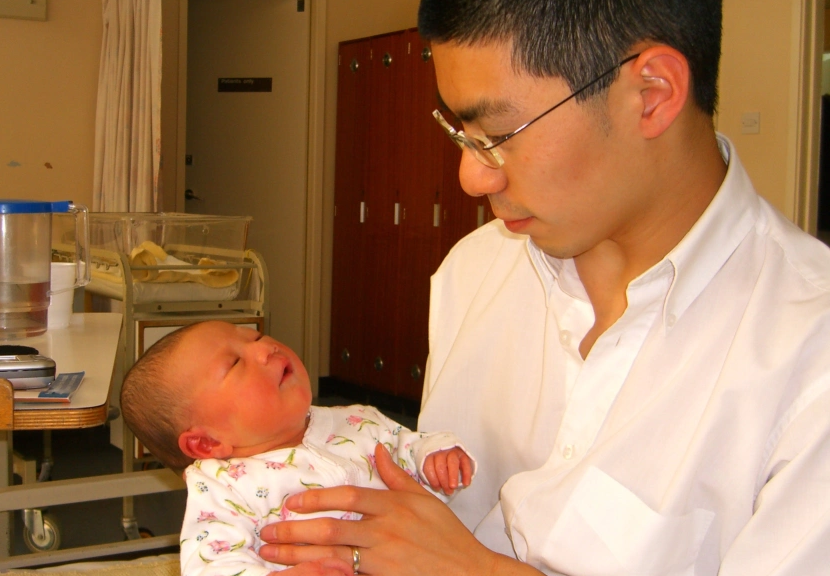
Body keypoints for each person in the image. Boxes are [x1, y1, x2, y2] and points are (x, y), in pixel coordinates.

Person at [255, 1, 830, 574]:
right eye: (459, 129)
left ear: (651, 93)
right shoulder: (474, 271)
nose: (471, 176)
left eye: (500, 132)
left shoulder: (808, 352)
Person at [119, 320, 476, 576]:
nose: (264, 347)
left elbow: (409, 446)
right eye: (235, 363)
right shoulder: (221, 486)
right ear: (206, 442)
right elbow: (212, 563)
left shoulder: (357, 420)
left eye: (256, 335)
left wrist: (436, 455)